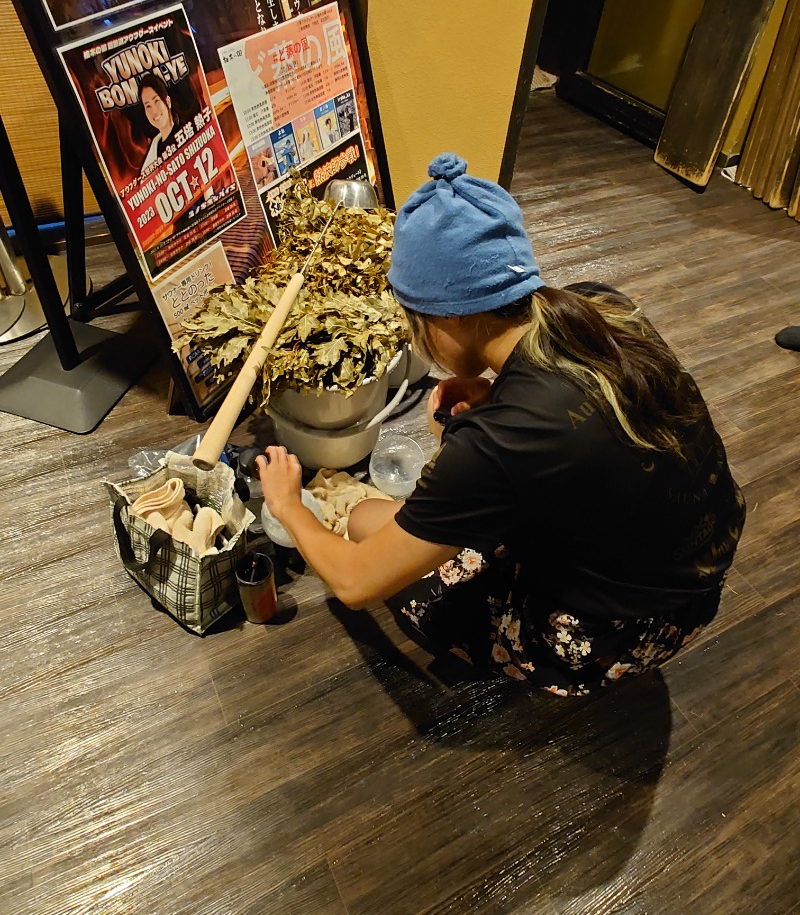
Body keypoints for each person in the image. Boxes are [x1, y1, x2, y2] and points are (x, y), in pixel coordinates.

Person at [257, 153, 746, 696]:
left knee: (369, 533)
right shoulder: (601, 307)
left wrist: (288, 506)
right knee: (377, 518)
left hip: (623, 635)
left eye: (416, 320)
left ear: (449, 315)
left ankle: (541, 654)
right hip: (698, 578)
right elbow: (586, 422)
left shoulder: (500, 443)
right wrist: (493, 392)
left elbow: (354, 583)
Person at [139, 73, 179, 174]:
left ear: (168, 101)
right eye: (148, 106)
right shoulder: (154, 152)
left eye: (156, 101)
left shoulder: (186, 134)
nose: (154, 111)